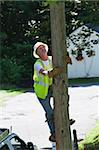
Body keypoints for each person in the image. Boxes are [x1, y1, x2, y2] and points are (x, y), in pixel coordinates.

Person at [33, 42, 75, 142]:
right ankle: (53, 133)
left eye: (43, 47)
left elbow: (64, 62)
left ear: (46, 49)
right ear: (37, 53)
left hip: (52, 87)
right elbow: (45, 73)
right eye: (39, 48)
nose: (42, 49)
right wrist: (53, 72)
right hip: (42, 92)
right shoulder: (37, 64)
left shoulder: (53, 59)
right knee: (50, 113)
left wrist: (66, 61)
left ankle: (64, 120)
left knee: (63, 99)